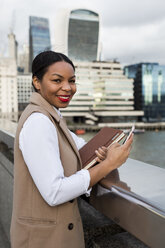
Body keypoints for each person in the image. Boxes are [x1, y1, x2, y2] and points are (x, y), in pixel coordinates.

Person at [10, 51, 133, 248]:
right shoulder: (38, 121)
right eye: (57, 80)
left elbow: (81, 149)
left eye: (72, 81)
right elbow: (55, 192)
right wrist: (109, 163)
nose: (67, 88)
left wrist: (100, 155)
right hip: (44, 240)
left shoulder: (52, 116)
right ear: (36, 82)